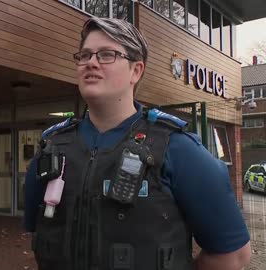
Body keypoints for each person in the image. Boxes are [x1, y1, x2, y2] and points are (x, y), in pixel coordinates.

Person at [23, 17, 251, 270]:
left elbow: (233, 255)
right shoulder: (52, 147)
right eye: (85, 55)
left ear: (136, 70)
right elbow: (40, 234)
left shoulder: (177, 148)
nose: (91, 63)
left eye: (107, 55)